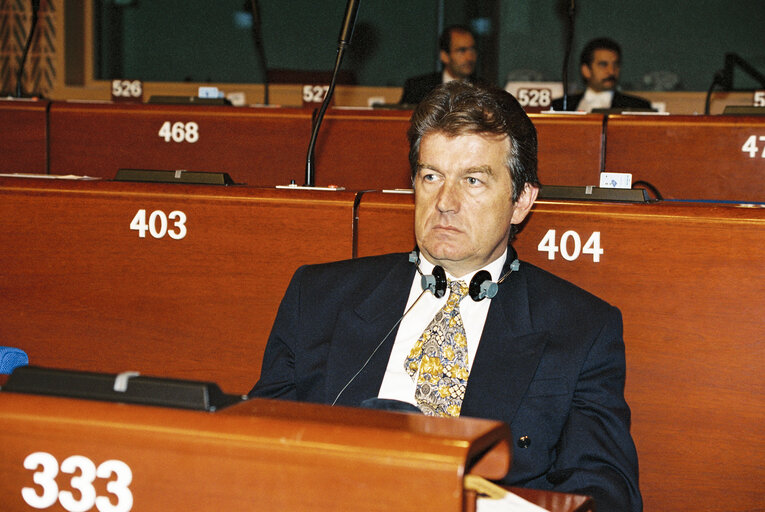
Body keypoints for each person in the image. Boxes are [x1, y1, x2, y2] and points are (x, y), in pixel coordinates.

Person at [250, 81, 642, 511]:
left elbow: (607, 494)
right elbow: (253, 449)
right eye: (431, 176)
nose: (445, 202)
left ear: (521, 201)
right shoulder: (319, 297)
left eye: (472, 180)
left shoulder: (581, 328)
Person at [552, 37, 651, 112]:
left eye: (616, 65)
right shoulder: (559, 106)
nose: (611, 71)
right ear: (586, 70)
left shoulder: (638, 107)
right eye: (603, 65)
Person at [399, 25, 483, 105]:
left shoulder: (483, 90)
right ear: (444, 56)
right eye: (462, 50)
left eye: (472, 49)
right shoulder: (417, 87)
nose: (469, 57)